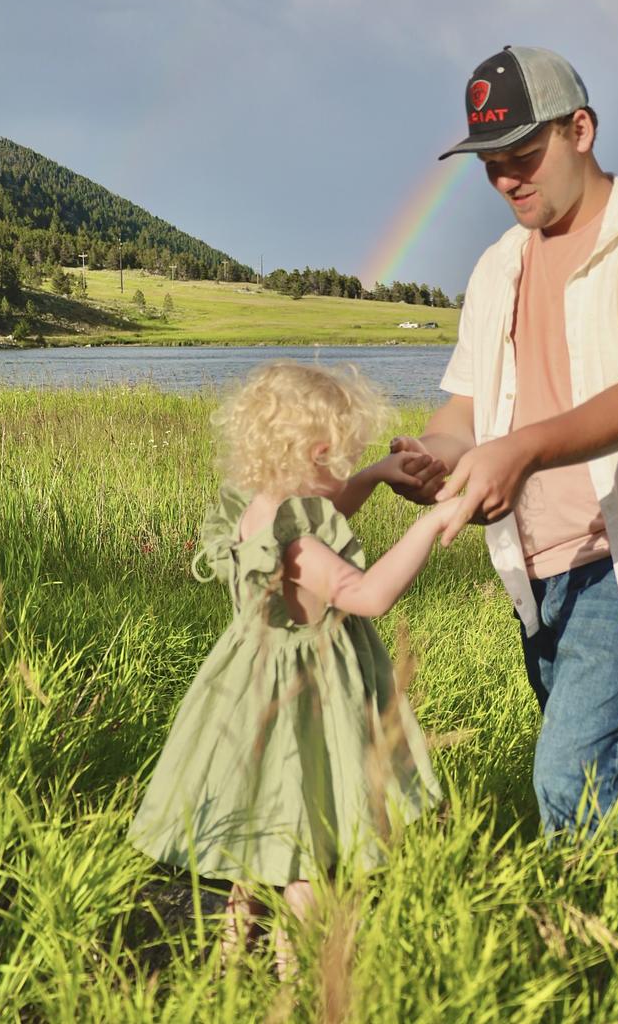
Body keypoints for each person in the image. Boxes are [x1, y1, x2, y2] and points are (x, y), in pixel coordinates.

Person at [392, 44, 618, 833]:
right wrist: (432, 457)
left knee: (574, 782)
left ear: (581, 130)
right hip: (535, 574)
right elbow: (463, 415)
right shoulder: (495, 269)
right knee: (611, 788)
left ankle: (590, 915)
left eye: (523, 155)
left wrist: (520, 450)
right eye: (490, 165)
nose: (507, 180)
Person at [129, 360, 455, 971]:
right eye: (345, 460)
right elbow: (368, 595)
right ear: (316, 456)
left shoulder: (254, 513)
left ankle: (230, 968)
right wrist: (431, 523)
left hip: (253, 692)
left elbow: (326, 510)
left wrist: (375, 475)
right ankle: (304, 978)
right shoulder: (300, 545)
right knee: (312, 852)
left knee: (262, 844)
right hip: (310, 701)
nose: (348, 472)